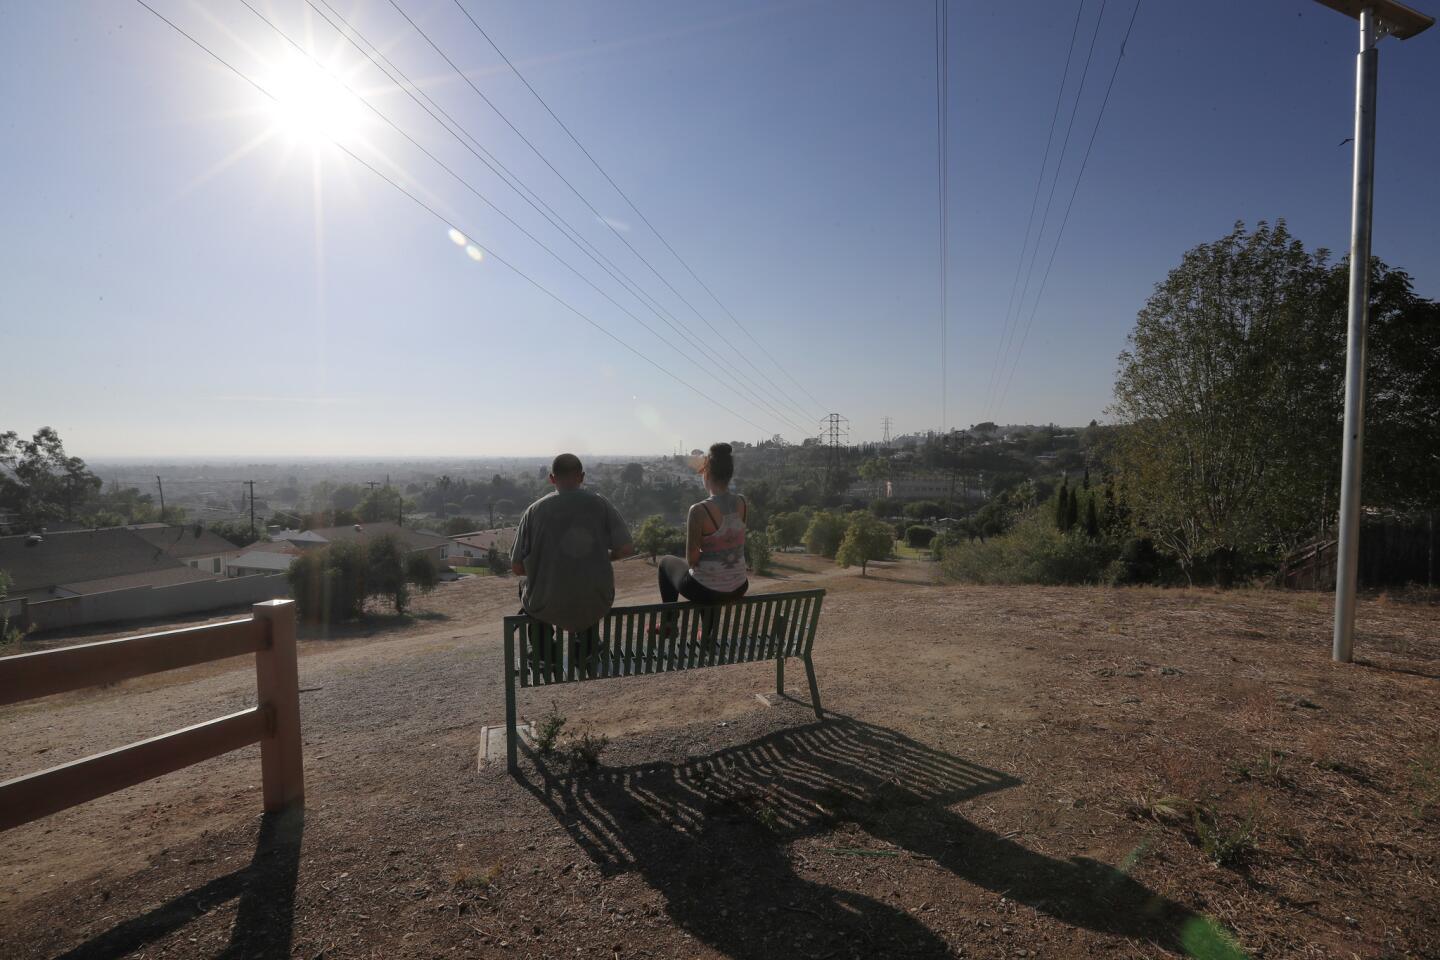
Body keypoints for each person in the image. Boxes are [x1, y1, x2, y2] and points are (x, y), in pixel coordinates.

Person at [510, 453, 634, 632]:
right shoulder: (601, 504)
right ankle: (586, 645)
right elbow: (626, 549)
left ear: (552, 478)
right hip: (597, 603)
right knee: (587, 588)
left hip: (545, 605)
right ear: (582, 477)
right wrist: (603, 557)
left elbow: (517, 568)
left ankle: (544, 651)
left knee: (526, 586)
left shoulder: (534, 511)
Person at [657, 443, 749, 608]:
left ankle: (668, 622)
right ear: (729, 475)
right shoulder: (742, 502)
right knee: (707, 577)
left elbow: (691, 560)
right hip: (740, 587)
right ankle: (707, 632)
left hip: (707, 591)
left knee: (665, 563)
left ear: (706, 473)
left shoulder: (699, 510)